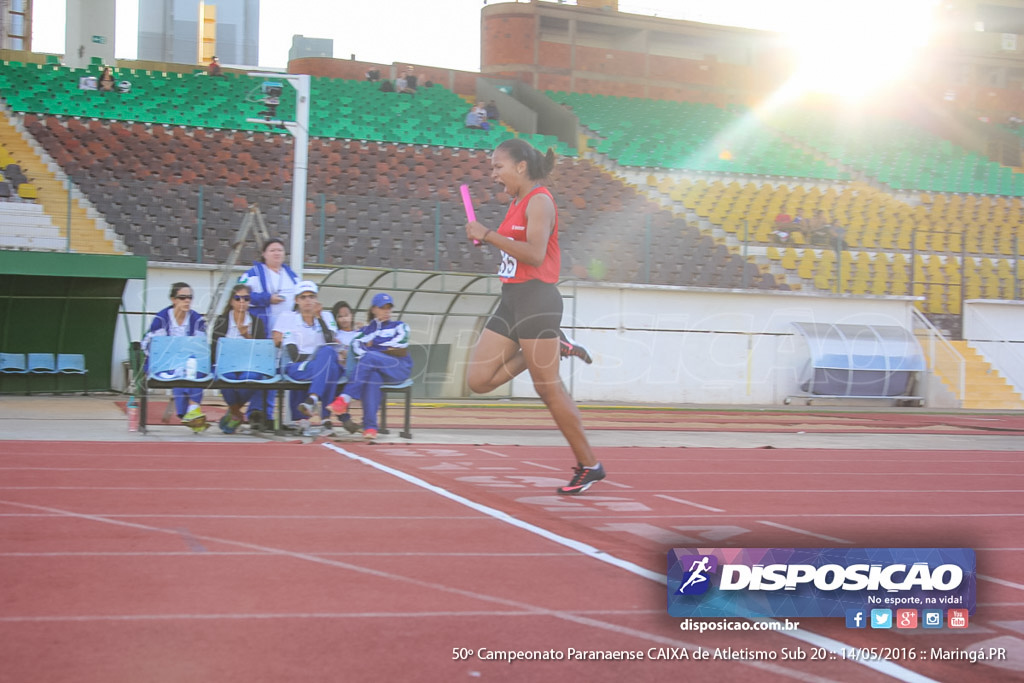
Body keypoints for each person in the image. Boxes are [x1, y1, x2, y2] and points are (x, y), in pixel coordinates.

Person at [462, 139, 604, 495]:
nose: (493, 174)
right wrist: (489, 237)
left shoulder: (539, 201)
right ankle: (552, 345)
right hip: (512, 299)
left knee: (549, 390)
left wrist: (489, 235)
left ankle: (591, 465)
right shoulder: (517, 201)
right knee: (479, 380)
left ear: (521, 166)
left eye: (498, 167)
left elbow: (537, 255)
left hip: (538, 299)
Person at [328, 293, 412, 442]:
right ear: (374, 309)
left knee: (370, 358)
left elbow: (400, 344)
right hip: (377, 369)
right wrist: (379, 347)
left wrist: (374, 345)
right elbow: (356, 347)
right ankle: (370, 427)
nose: (387, 311)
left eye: (389, 308)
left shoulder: (400, 326)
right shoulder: (364, 331)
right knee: (372, 376)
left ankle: (344, 399)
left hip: (398, 367)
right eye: (382, 308)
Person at [239, 238, 299, 429]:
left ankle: (269, 414)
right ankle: (256, 413)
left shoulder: (292, 276)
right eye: (272, 250)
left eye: (280, 250)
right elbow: (241, 295)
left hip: (285, 333)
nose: (277, 253)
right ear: (264, 253)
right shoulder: (254, 274)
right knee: (263, 371)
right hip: (262, 331)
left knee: (278, 372)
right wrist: (267, 298)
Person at [273, 281, 344, 434]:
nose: (308, 300)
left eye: (311, 296)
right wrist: (317, 359)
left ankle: (311, 400)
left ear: (316, 299)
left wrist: (319, 318)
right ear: (296, 300)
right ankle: (325, 419)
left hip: (320, 364)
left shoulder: (325, 316)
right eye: (303, 297)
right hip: (299, 365)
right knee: (328, 363)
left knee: (328, 355)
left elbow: (331, 340)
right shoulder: (289, 318)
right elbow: (294, 354)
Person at [143, 282, 208, 432]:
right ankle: (191, 413)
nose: (187, 301)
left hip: (189, 364)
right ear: (173, 299)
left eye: (189, 297)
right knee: (179, 372)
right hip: (164, 364)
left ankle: (191, 411)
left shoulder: (196, 319)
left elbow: (201, 346)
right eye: (182, 297)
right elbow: (151, 344)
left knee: (192, 371)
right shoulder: (162, 318)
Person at [211, 283, 267, 434]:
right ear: (231, 301)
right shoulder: (222, 321)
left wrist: (246, 336)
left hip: (248, 365)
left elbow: (261, 351)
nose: (242, 302)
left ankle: (234, 411)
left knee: (252, 377)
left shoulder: (257, 322)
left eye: (246, 298)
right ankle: (237, 412)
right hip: (225, 364)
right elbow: (214, 348)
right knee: (225, 377)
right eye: (238, 298)